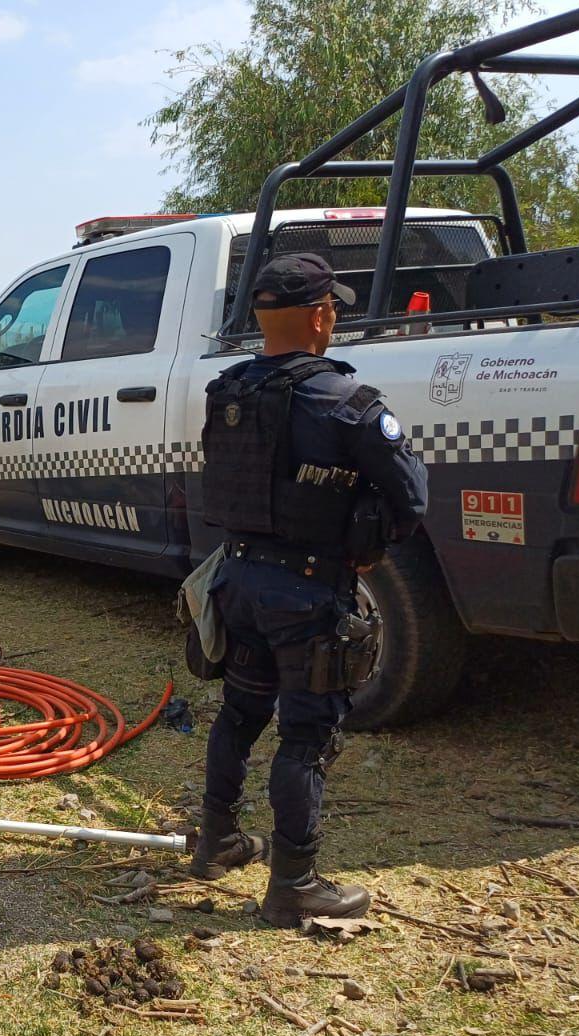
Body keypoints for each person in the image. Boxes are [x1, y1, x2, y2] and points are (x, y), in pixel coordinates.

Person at [190, 252, 428, 928]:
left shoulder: (229, 392)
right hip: (305, 591)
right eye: (335, 309)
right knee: (306, 737)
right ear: (322, 316)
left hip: (236, 578)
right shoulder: (348, 403)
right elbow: (411, 498)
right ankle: (294, 883)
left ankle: (217, 842)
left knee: (240, 712)